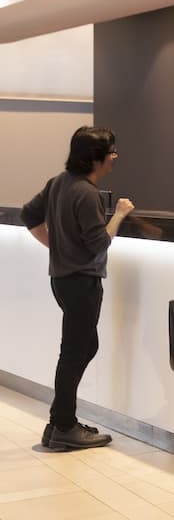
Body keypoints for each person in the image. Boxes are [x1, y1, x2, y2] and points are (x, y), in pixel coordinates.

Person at [21, 126, 135, 450]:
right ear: (95, 158)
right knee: (74, 352)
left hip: (62, 280)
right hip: (82, 282)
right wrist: (120, 214)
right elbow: (99, 243)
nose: (114, 158)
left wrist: (58, 249)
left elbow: (29, 215)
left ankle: (59, 421)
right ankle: (63, 426)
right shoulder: (86, 193)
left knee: (84, 347)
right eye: (111, 152)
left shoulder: (58, 182)